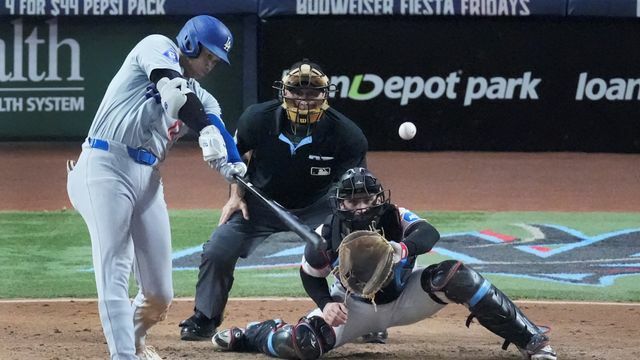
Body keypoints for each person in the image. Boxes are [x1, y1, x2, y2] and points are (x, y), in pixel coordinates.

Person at [210, 168, 558, 360]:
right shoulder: (325, 235)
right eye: (352, 201)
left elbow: (429, 233)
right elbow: (309, 275)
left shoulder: (396, 216)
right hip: (353, 308)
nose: (360, 207)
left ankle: (533, 342)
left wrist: (403, 249)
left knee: (457, 275)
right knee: (302, 344)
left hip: (406, 298)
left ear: (379, 198)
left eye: (366, 199)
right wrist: (326, 303)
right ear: (339, 204)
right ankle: (254, 334)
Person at [66, 15, 246, 360]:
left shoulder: (204, 100)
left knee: (159, 293)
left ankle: (132, 340)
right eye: (208, 54)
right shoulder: (156, 47)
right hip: (105, 166)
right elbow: (173, 92)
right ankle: (124, 356)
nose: (211, 64)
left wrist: (233, 166)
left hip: (148, 179)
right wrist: (204, 130)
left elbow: (220, 131)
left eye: (216, 60)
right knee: (115, 267)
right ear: (190, 42)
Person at [179, 59, 369, 342]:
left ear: (325, 94)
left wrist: (347, 225)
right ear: (284, 92)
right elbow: (237, 158)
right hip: (261, 202)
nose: (304, 100)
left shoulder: (346, 133)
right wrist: (235, 197)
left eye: (313, 92)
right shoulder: (257, 118)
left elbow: (352, 186)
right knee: (218, 250)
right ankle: (205, 318)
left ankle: (366, 317)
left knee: (356, 248)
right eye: (297, 91)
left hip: (317, 206)